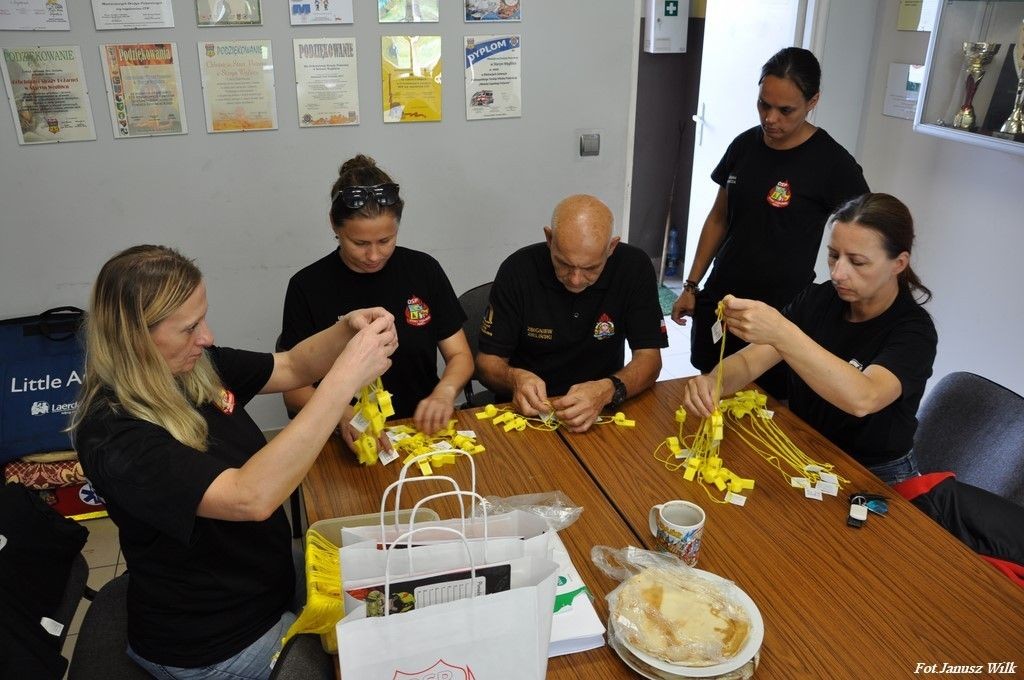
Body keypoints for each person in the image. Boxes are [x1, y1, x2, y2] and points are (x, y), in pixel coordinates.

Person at [72, 245, 397, 680]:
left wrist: (347, 329)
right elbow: (251, 496)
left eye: (202, 318)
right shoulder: (115, 434)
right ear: (135, 337)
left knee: (391, 593)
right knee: (369, 660)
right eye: (189, 328)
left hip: (263, 586)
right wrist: (343, 381)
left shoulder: (191, 366)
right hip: (216, 641)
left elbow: (294, 365)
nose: (205, 337)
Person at [681, 193, 937, 485]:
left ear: (899, 263)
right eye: (833, 255)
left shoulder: (914, 332)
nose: (838, 273)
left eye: (858, 262)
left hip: (875, 473)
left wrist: (782, 331)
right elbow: (750, 362)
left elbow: (864, 398)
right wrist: (714, 382)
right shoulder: (819, 299)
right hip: (809, 446)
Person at [671, 47, 869, 398]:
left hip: (781, 313)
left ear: (813, 101)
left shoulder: (832, 164)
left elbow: (864, 235)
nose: (770, 118)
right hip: (724, 299)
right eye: (764, 104)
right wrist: (691, 285)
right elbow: (719, 217)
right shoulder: (744, 145)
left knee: (768, 408)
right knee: (710, 391)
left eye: (785, 110)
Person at [279, 154, 472, 441]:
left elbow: (460, 356)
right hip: (343, 430)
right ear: (334, 225)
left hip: (419, 426)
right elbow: (294, 392)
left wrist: (445, 393)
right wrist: (348, 417)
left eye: (385, 241)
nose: (373, 255)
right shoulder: (307, 286)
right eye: (359, 243)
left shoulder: (423, 270)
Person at [476, 194, 667, 432]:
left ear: (611, 247)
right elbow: (486, 364)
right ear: (549, 238)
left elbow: (650, 360)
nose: (576, 279)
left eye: (591, 268)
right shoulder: (518, 270)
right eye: (564, 264)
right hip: (529, 413)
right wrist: (513, 378)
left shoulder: (633, 267)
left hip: (602, 408)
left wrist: (609, 388)